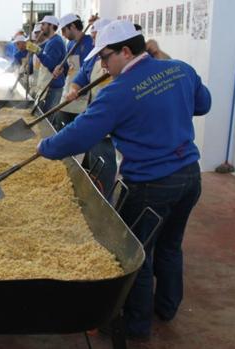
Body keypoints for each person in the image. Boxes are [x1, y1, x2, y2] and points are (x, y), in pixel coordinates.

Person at [37, 20, 211, 341]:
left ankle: (136, 325)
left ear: (126, 51)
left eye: (105, 57)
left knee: (137, 256)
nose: (103, 65)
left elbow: (78, 137)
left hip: (151, 184)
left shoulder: (118, 92)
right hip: (190, 176)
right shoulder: (180, 69)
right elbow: (204, 104)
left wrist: (43, 145)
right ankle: (168, 308)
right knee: (171, 246)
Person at [63, 17, 117, 198]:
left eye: (96, 37)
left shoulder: (121, 62)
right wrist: (74, 89)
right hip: (97, 120)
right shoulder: (94, 58)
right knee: (95, 161)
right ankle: (94, 192)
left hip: (112, 124)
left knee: (105, 165)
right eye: (93, 37)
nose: (94, 42)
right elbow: (81, 77)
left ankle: (104, 201)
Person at [52, 13, 94, 129]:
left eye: (64, 30)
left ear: (73, 26)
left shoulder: (89, 43)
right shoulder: (70, 44)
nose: (63, 35)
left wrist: (79, 91)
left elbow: (87, 72)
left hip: (82, 96)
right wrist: (60, 68)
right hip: (69, 92)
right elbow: (69, 67)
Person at [25, 15, 67, 113]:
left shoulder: (55, 42)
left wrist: (37, 51)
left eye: (44, 24)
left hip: (53, 87)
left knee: (47, 118)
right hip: (48, 85)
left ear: (51, 26)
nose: (41, 27)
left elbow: (51, 64)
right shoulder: (51, 41)